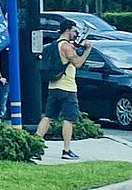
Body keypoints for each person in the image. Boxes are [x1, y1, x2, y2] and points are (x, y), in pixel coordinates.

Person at [36, 19, 92, 160]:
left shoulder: (55, 44)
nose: (75, 33)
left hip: (53, 86)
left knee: (48, 116)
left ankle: (35, 145)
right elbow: (78, 63)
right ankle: (66, 150)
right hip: (67, 88)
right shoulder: (67, 47)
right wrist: (87, 50)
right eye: (74, 31)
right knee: (68, 119)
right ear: (67, 30)